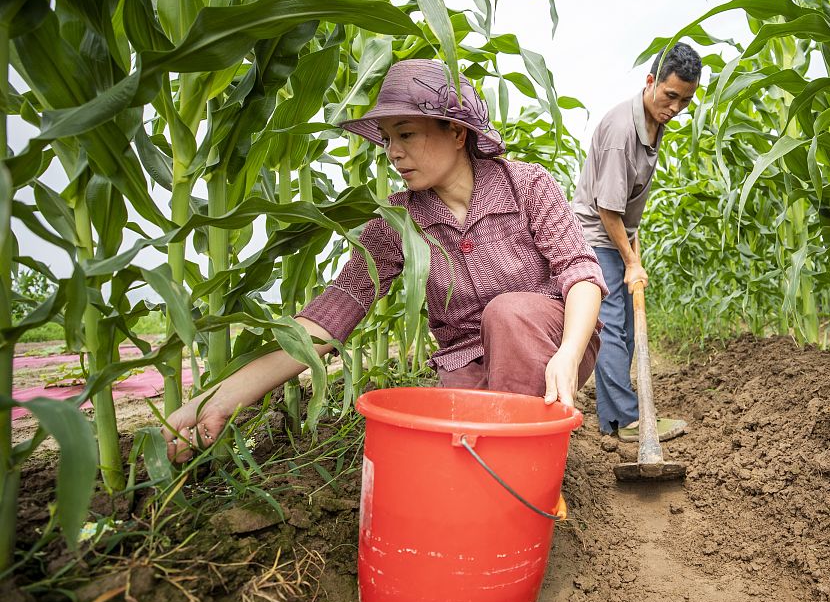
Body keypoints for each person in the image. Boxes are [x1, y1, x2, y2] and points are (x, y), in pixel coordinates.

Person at [164, 59, 606, 462]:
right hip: (467, 360)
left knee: (508, 316)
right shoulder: (399, 220)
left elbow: (582, 274)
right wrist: (217, 401)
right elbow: (327, 319)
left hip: (552, 342)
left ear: (457, 132)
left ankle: (531, 469)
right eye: (388, 139)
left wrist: (568, 353)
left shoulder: (525, 185)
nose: (393, 152)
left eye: (406, 133)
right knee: (462, 450)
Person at [571, 42, 701, 442]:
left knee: (624, 327)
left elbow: (628, 203)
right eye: (670, 96)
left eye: (685, 100)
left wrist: (633, 245)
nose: (676, 108)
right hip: (597, 238)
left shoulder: (654, 121)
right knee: (611, 327)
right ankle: (625, 421)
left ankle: (614, 415)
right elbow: (607, 209)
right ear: (650, 82)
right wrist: (631, 261)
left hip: (618, 237)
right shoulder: (620, 131)